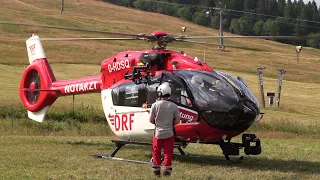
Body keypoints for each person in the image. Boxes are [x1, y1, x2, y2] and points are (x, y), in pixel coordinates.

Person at [149, 82, 180, 177]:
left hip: (158, 133)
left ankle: (156, 170)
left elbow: (151, 120)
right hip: (169, 133)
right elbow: (177, 121)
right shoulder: (174, 106)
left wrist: (157, 123)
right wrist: (170, 124)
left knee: (156, 151)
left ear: (160, 93)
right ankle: (167, 170)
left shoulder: (155, 105)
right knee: (168, 151)